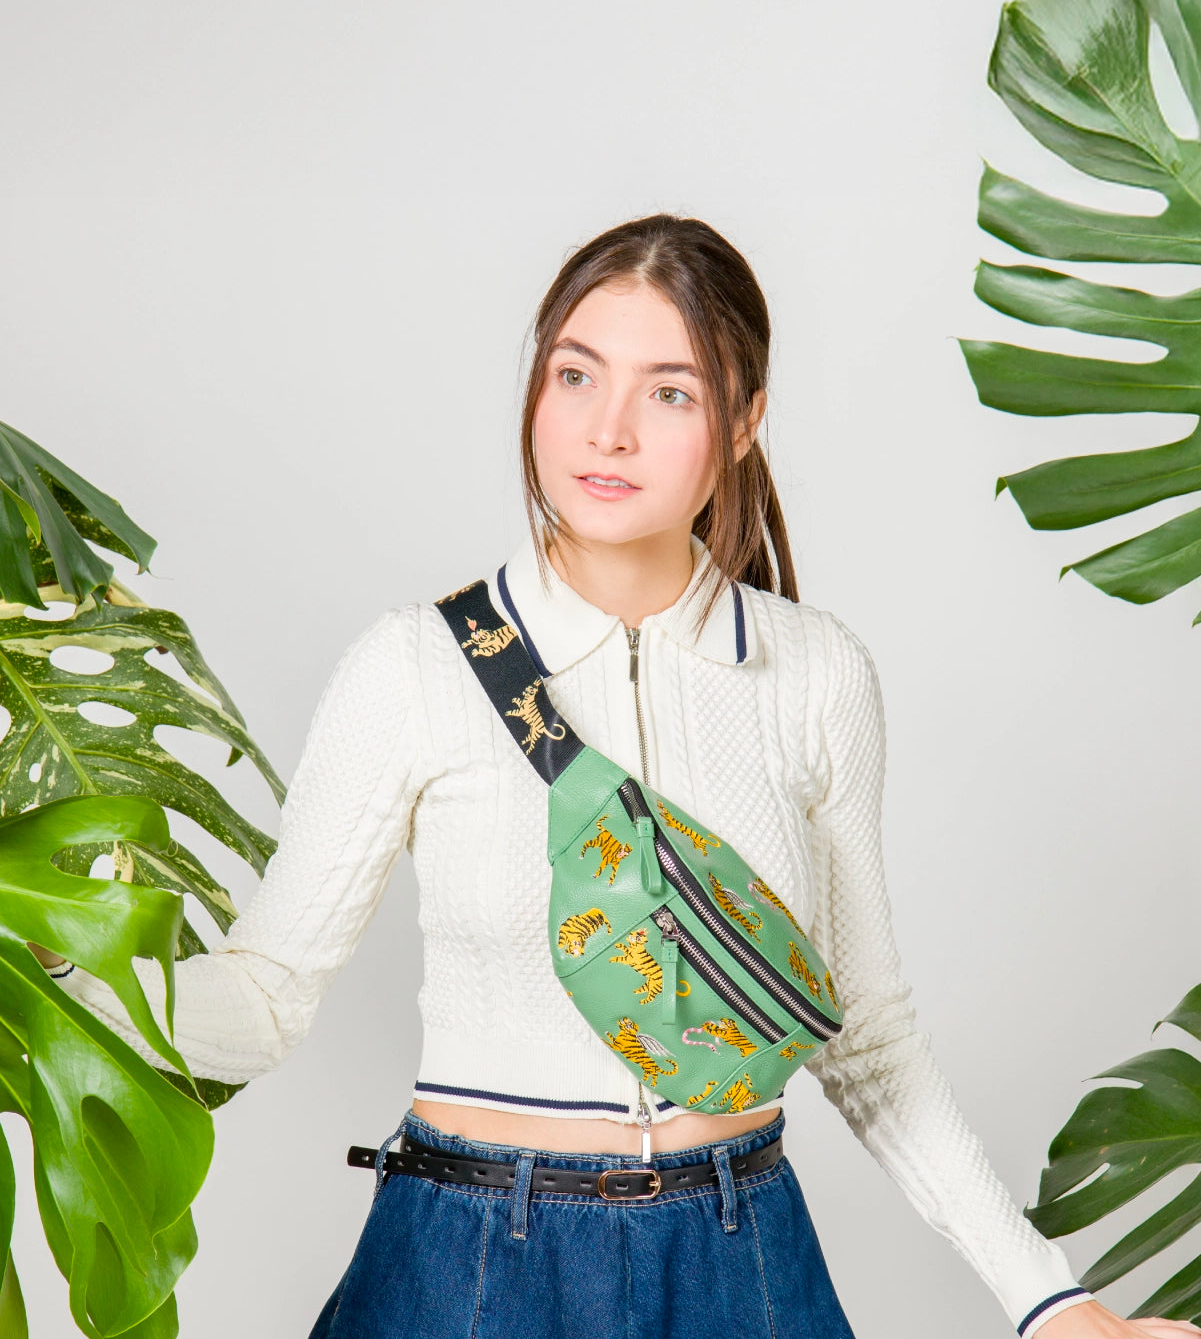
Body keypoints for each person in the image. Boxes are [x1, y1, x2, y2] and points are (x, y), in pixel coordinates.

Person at [36, 215, 1200, 1339]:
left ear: (742, 422)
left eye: (670, 392)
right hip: (473, 1256)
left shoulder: (811, 675)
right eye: (575, 376)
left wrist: (1052, 1304)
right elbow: (266, 994)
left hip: (742, 1252)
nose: (607, 432)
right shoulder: (418, 665)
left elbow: (869, 1042)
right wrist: (51, 987)